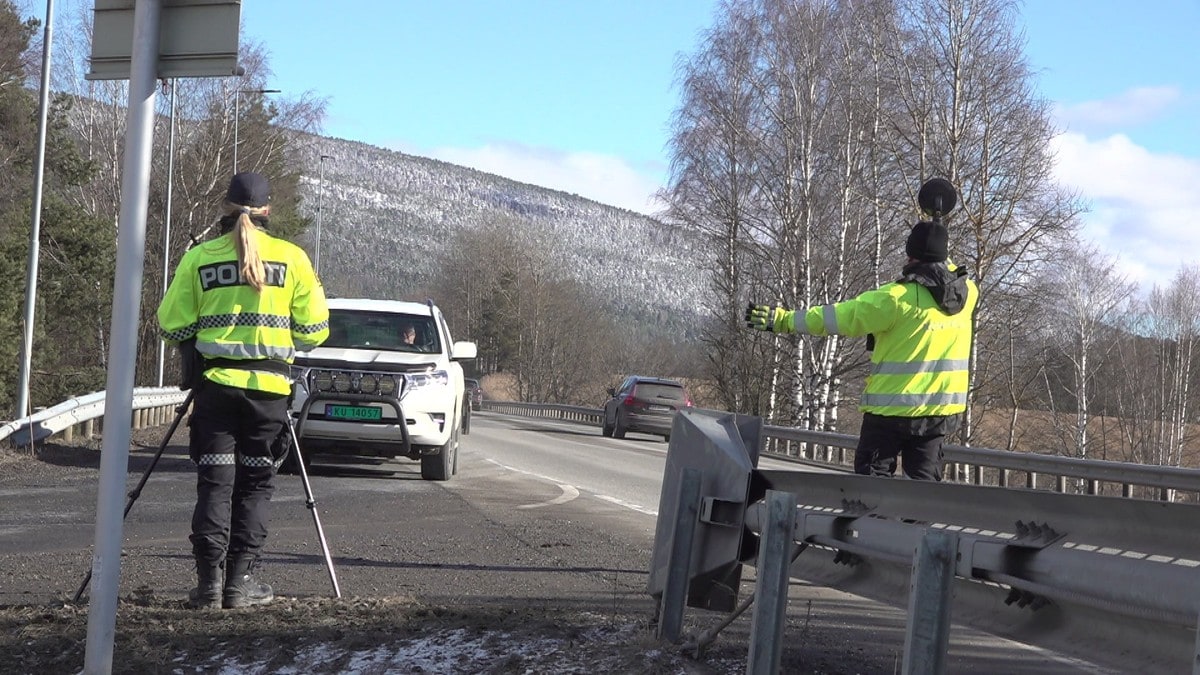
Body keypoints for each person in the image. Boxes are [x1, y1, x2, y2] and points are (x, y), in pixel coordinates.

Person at [158, 171, 329, 609]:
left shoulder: (200, 258)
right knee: (255, 486)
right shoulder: (293, 259)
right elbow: (313, 332)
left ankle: (208, 586)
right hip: (269, 395)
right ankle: (240, 582)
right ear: (269, 211)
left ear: (225, 208)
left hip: (215, 389)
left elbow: (171, 324)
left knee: (214, 485)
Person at [745, 178, 977, 481]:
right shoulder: (969, 294)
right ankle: (913, 529)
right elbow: (945, 267)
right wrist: (937, 229)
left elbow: (835, 318)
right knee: (923, 495)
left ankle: (873, 529)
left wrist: (783, 320)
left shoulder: (894, 299)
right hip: (937, 416)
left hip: (889, 413)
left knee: (869, 491)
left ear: (910, 256)